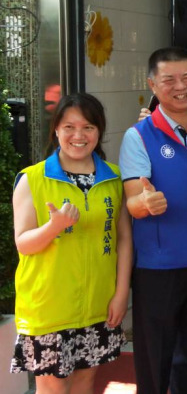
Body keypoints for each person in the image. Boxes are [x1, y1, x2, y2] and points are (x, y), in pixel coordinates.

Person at [10, 93, 132, 393]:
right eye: (69, 127)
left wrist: (121, 294)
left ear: (99, 131)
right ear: (56, 130)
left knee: (86, 383)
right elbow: (23, 244)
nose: (79, 136)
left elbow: (124, 240)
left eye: (88, 127)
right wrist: (54, 227)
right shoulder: (32, 179)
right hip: (49, 307)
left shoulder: (114, 178)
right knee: (52, 388)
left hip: (98, 305)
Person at [120, 46, 187, 394]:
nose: (180, 86)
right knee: (155, 358)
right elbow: (133, 201)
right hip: (158, 268)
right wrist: (145, 202)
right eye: (169, 80)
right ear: (152, 84)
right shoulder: (139, 136)